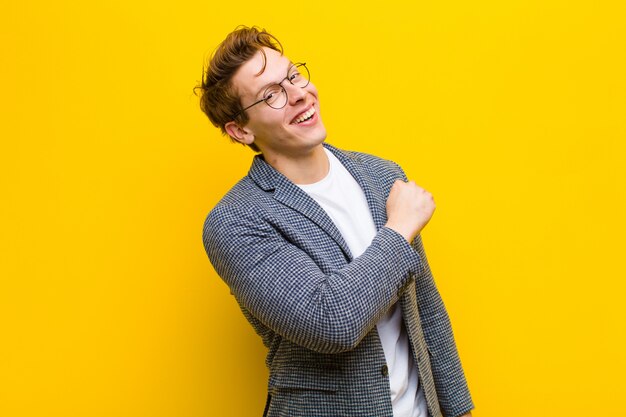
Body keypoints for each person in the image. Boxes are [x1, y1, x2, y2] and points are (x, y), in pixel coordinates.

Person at [197, 25, 474, 417]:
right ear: (240, 130)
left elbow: (425, 308)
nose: (298, 95)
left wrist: (457, 409)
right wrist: (398, 230)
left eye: (293, 75)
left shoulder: (382, 176)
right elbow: (331, 322)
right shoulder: (236, 221)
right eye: (271, 94)